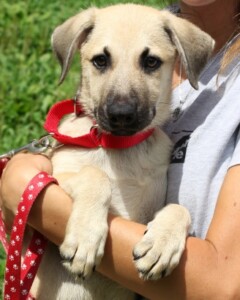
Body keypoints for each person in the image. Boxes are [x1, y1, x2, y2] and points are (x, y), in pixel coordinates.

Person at [1, 0, 240, 299]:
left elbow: (221, 285)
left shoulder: (161, 146)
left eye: (150, 63)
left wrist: (177, 219)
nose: (123, 103)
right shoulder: (77, 139)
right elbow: (20, 228)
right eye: (102, 61)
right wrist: (89, 187)